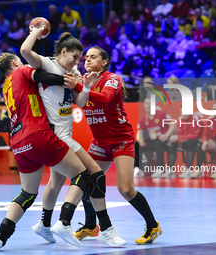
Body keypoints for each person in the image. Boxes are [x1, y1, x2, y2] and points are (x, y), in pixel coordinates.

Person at [0, 52, 106, 252]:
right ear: (15, 63)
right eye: (21, 61)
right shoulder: (22, 71)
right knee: (83, 174)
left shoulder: (5, 86)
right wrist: (73, 82)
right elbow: (45, 77)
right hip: (38, 135)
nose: (25, 63)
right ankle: (64, 223)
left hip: (18, 142)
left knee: (27, 193)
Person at [20, 28, 126, 246]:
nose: (78, 62)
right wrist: (37, 31)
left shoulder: (75, 73)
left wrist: (84, 87)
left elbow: (78, 103)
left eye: (81, 58)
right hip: (57, 134)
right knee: (93, 174)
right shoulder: (47, 63)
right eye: (76, 57)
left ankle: (44, 224)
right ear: (64, 51)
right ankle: (97, 227)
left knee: (56, 180)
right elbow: (24, 50)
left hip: (62, 133)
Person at [67, 46, 162, 244]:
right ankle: (91, 226)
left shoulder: (112, 79)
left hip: (121, 140)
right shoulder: (83, 81)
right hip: (99, 142)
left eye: (94, 57)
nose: (88, 60)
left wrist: (79, 87)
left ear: (104, 62)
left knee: (126, 189)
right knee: (87, 181)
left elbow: (104, 99)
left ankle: (153, 226)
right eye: (87, 58)